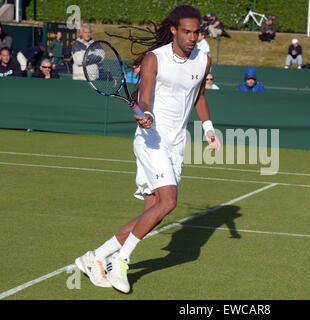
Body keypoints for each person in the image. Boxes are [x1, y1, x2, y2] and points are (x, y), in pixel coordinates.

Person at [74, 5, 221, 294]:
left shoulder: (203, 60)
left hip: (177, 144)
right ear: (175, 31)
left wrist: (208, 129)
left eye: (197, 32)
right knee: (169, 201)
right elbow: (145, 97)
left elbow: (199, 96)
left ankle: (94, 257)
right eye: (187, 32)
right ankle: (122, 261)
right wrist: (145, 113)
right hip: (151, 140)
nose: (193, 37)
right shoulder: (155, 58)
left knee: (153, 212)